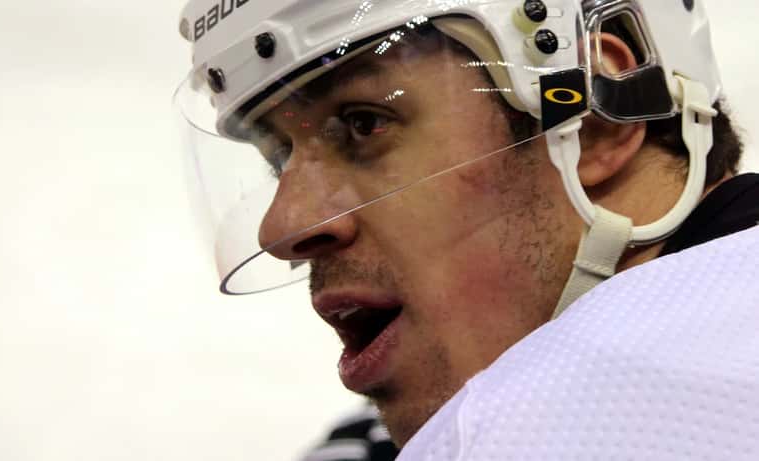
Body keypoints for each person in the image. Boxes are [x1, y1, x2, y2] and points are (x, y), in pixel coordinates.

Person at [174, 0, 759, 458]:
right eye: (280, 158)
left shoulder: (555, 422)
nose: (283, 227)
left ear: (592, 122)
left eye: (363, 124)